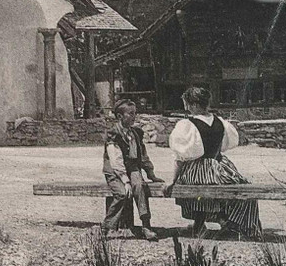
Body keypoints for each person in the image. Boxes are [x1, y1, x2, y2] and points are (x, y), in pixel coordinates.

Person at [165, 85, 262, 239]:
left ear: (195, 105)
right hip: (219, 166)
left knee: (194, 184)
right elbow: (224, 147)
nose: (187, 108)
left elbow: (181, 157)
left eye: (188, 105)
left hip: (198, 168)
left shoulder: (188, 125)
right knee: (235, 184)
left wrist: (172, 180)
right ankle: (227, 221)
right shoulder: (220, 122)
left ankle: (205, 224)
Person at [102, 99, 160, 240]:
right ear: (120, 116)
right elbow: (116, 161)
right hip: (115, 171)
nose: (134, 116)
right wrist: (125, 181)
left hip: (132, 168)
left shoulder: (136, 133)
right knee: (122, 194)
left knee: (140, 187)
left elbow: (143, 156)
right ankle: (108, 227)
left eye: (135, 113)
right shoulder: (113, 134)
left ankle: (146, 225)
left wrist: (151, 174)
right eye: (130, 113)